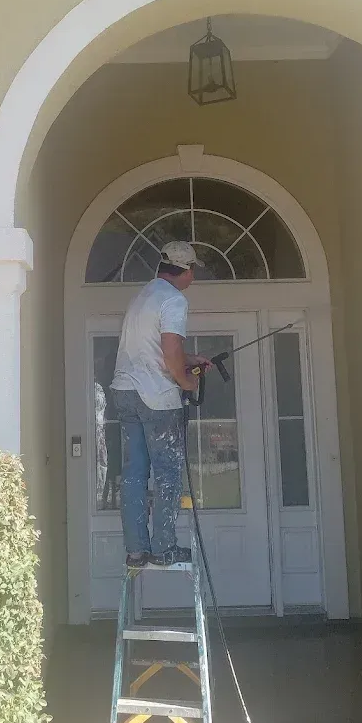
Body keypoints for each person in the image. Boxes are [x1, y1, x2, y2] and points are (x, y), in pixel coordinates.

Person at [110, 241, 211, 568]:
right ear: (187, 270)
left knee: (135, 473)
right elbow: (169, 353)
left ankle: (136, 550)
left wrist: (189, 359)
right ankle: (164, 547)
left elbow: (152, 350)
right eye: (193, 272)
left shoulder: (142, 297)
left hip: (125, 390)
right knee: (167, 473)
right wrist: (187, 380)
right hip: (156, 397)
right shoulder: (173, 299)